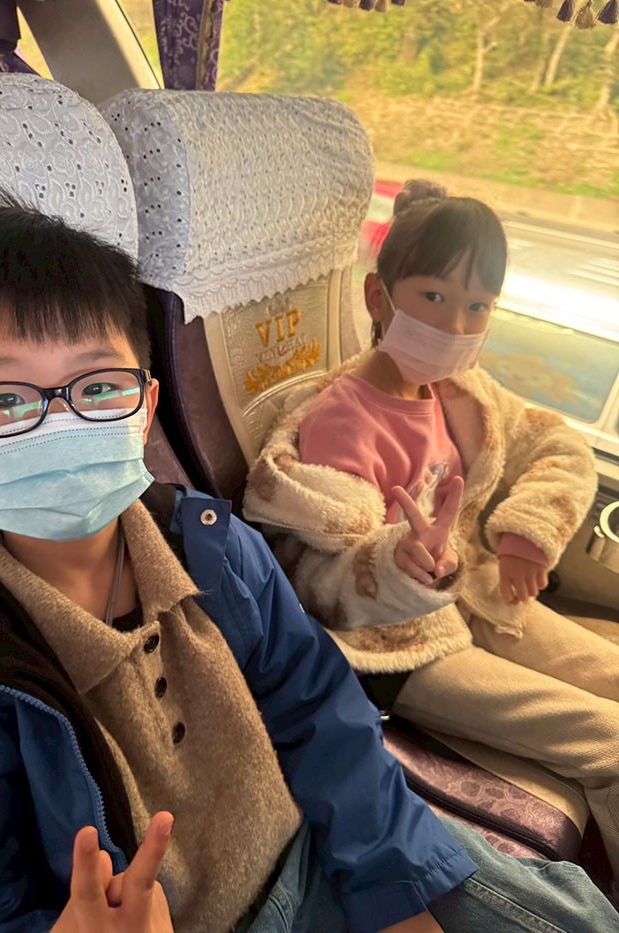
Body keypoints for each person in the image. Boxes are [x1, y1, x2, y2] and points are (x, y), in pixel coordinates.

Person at [0, 203, 616, 933]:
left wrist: (393, 887)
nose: (62, 423)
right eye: (4, 399)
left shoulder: (214, 549)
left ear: (144, 408)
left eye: (98, 388)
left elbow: (323, 716)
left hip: (322, 847)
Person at [244, 180, 619, 895]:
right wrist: (398, 565)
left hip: (472, 593)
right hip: (398, 647)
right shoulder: (342, 420)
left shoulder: (459, 389)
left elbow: (557, 444)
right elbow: (319, 583)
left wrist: (526, 534)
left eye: (478, 306)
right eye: (434, 297)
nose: (455, 324)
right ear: (378, 299)